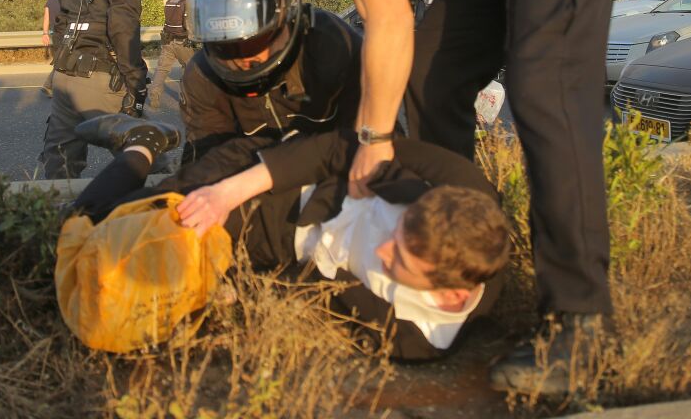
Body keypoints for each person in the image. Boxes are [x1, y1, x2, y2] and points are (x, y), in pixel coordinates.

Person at [227, 0, 627, 394]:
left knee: (545, 95)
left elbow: (391, 21)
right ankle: (449, 249)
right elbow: (373, 10)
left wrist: (373, 139)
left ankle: (582, 322)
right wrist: (375, 128)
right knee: (433, 81)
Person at [67, 114, 509, 360]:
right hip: (266, 184)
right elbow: (338, 147)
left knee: (134, 289)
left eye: (401, 262)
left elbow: (320, 299)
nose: (381, 249)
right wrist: (225, 194)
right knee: (93, 224)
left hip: (280, 250)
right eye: (398, 232)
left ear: (451, 295)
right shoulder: (458, 185)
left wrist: (238, 289)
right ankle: (141, 143)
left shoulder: (420, 339)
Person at [177, 0, 364, 163]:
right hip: (251, 186)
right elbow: (206, 159)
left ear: (289, 18)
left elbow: (373, 141)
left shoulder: (331, 45)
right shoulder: (202, 75)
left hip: (338, 177)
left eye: (255, 41)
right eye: (225, 47)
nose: (243, 59)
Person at [38, 0, 172, 179]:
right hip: (99, 78)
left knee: (60, 171)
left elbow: (62, 19)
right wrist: (135, 79)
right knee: (154, 166)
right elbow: (122, 22)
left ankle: (61, 222)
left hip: (64, 76)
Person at [147, 0, 196, 110]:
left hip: (167, 42)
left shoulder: (169, 1)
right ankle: (185, 99)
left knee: (162, 69)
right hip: (182, 42)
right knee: (188, 68)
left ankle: (154, 97)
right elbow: (188, 25)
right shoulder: (187, 3)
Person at [40, 0, 61, 96]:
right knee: (61, 60)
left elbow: (46, 18)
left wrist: (45, 33)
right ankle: (48, 85)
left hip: (54, 34)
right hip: (63, 34)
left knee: (60, 60)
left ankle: (51, 86)